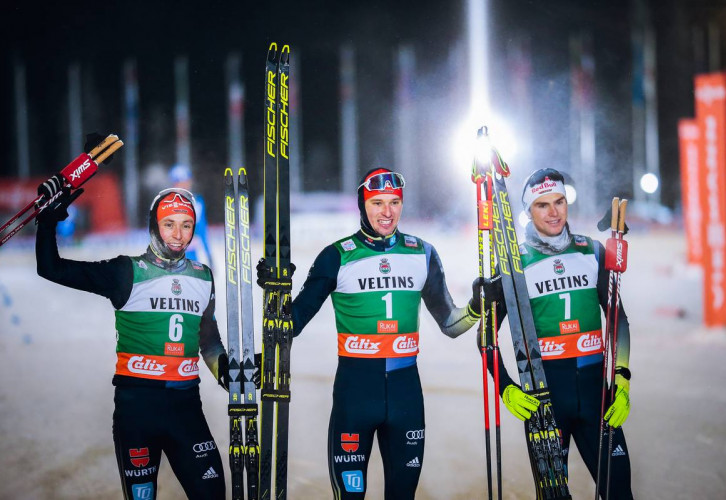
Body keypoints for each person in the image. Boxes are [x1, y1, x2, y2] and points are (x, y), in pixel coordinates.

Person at [256, 168, 487, 499]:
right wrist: (275, 293)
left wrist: (477, 307)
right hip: (355, 395)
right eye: (377, 202)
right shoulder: (336, 255)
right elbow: (293, 322)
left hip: (406, 396)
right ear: (362, 204)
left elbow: (450, 324)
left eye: (394, 202)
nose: (387, 212)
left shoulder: (423, 253)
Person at [35, 181, 229, 500]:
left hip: (187, 409)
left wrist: (228, 375)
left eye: (186, 225)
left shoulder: (203, 276)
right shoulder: (126, 271)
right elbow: (51, 268)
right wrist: (47, 221)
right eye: (169, 225)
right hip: (137, 410)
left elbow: (208, 343)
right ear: (154, 226)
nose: (178, 235)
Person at [486, 168, 633, 499]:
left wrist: (621, 378)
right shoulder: (514, 263)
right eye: (542, 205)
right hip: (545, 399)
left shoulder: (592, 251)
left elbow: (617, 318)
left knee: (620, 492)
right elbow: (486, 337)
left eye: (559, 202)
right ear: (528, 211)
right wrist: (506, 387)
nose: (553, 212)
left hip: (598, 395)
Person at [169, 164, 213, 267]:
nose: (183, 186)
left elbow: (202, 230)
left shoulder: (197, 202)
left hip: (191, 257)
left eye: (186, 182)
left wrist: (209, 256)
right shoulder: (165, 203)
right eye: (179, 183)